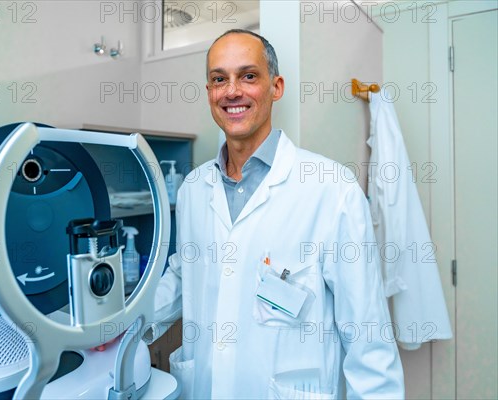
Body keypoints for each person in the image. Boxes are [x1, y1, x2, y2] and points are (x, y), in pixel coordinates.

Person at [148, 29, 405, 399]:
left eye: (248, 76)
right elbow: (183, 272)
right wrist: (117, 329)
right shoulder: (192, 189)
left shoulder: (332, 189)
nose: (232, 90)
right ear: (209, 93)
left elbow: (368, 339)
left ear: (276, 86)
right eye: (219, 79)